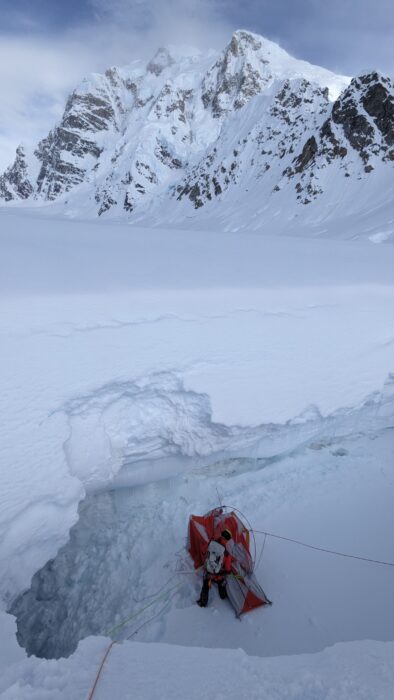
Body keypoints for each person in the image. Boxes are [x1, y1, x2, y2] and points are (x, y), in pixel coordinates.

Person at [197, 529, 233, 607]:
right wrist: (228, 571)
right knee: (222, 584)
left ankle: (202, 603)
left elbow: (204, 552)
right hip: (219, 575)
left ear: (221, 535)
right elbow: (227, 568)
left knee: (205, 587)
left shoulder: (211, 543)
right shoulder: (227, 553)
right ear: (228, 539)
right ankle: (223, 595)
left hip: (208, 572)